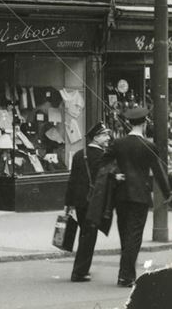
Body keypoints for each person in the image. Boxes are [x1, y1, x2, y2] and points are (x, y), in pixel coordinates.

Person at [108, 105, 172, 288]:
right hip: (140, 196)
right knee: (134, 236)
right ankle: (126, 276)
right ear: (144, 123)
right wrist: (168, 193)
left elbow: (103, 163)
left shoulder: (118, 144)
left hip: (121, 195)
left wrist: (114, 175)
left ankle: (125, 273)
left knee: (124, 234)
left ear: (129, 123)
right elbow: (159, 172)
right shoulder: (149, 146)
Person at [63, 121, 112, 282]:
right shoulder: (102, 157)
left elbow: (72, 181)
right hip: (94, 202)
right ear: (96, 137)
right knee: (89, 236)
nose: (108, 138)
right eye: (105, 135)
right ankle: (79, 271)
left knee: (84, 234)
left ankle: (81, 268)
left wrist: (68, 204)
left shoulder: (79, 155)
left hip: (79, 202)